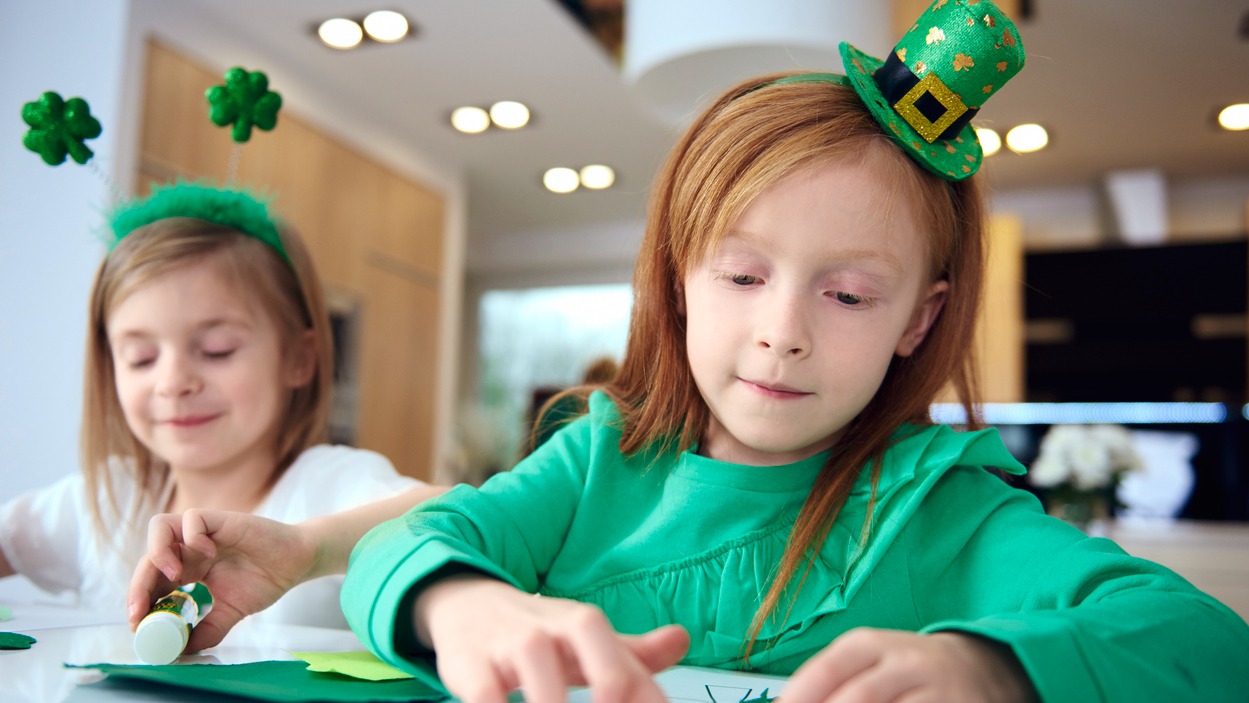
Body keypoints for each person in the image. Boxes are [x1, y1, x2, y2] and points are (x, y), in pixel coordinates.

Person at [128, 0, 1249, 699]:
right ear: (676, 276)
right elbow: (411, 540)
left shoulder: (946, 515)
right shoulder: (596, 458)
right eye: (744, 274)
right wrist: (460, 601)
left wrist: (994, 669)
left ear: (918, 320)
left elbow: (1205, 643)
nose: (782, 328)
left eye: (850, 292)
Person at [0, 182, 443, 635]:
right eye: (141, 359)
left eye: (217, 350)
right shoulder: (105, 501)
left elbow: (449, 513)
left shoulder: (326, 485)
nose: (173, 383)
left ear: (298, 359)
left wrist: (308, 547)